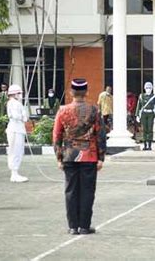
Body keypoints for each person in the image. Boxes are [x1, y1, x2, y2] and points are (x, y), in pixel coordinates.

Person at [53, 78, 106, 235]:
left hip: (69, 156)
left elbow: (56, 135)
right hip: (89, 157)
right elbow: (100, 134)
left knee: (70, 191)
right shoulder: (94, 110)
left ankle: (72, 226)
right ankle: (84, 226)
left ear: (71, 92)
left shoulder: (62, 110)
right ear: (87, 92)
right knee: (87, 191)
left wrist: (59, 157)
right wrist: (101, 157)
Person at [6, 85, 29, 183]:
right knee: (16, 151)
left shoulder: (14, 103)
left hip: (17, 129)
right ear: (15, 94)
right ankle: (14, 174)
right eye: (19, 93)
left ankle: (15, 173)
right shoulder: (14, 103)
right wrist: (23, 116)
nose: (20, 95)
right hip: (16, 129)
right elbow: (16, 116)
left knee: (17, 151)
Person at [135, 82, 155, 151]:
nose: (148, 89)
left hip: (151, 114)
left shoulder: (154, 97)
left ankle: (150, 145)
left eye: (150, 88)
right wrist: (137, 115)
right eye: (147, 88)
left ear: (152, 89)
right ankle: (145, 145)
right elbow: (138, 106)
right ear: (145, 89)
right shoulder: (141, 96)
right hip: (144, 114)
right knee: (144, 130)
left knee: (150, 130)